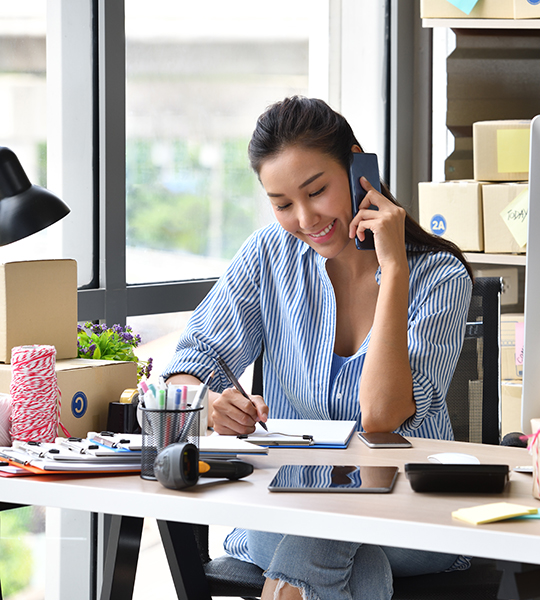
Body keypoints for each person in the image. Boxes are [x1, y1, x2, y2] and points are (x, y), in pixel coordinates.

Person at [162, 95, 473, 600]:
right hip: (288, 508)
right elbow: (189, 363)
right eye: (283, 204)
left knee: (321, 527)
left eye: (317, 191)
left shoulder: (438, 275)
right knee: (341, 551)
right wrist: (213, 403)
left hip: (413, 520)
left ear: (357, 167)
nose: (305, 219)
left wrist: (393, 270)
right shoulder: (269, 256)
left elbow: (381, 414)